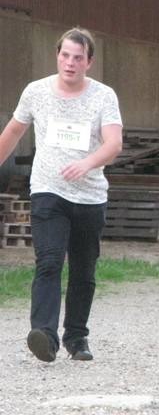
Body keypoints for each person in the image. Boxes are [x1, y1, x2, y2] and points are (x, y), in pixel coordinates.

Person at [0, 27, 123, 362]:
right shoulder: (36, 91)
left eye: (78, 58)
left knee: (84, 270)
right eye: (65, 55)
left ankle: (77, 337)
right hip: (48, 190)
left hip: (89, 196)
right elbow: (13, 131)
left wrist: (87, 163)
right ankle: (44, 335)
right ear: (57, 56)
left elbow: (114, 143)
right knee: (49, 261)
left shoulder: (103, 96)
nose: (70, 63)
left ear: (89, 62)